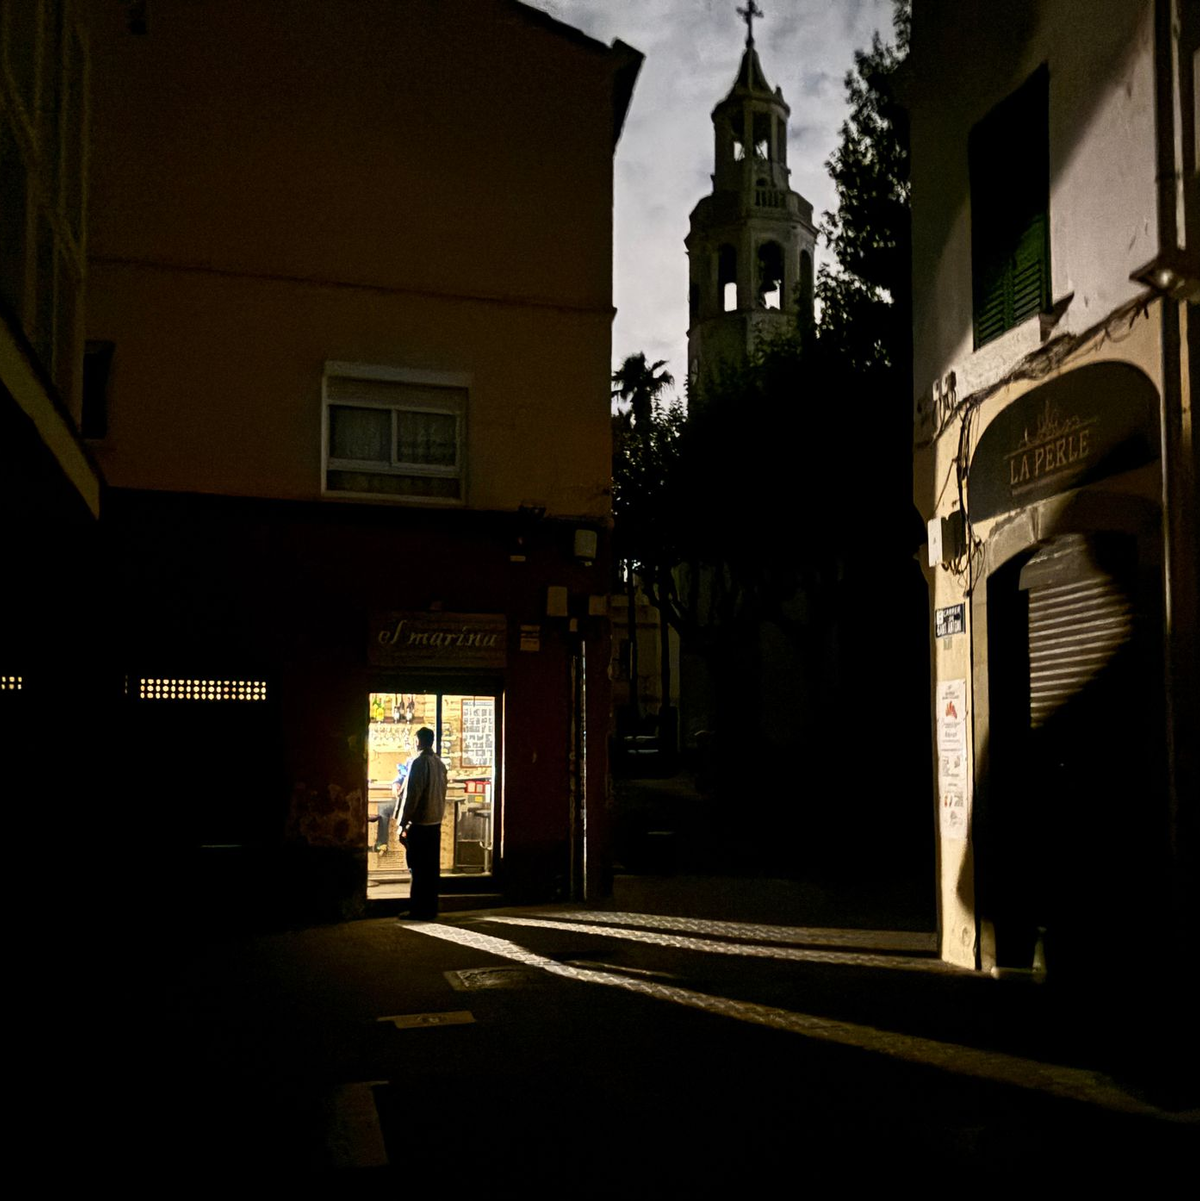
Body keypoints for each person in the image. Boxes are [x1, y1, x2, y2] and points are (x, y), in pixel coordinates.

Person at [398, 727, 448, 920]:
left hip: (420, 824)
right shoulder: (439, 763)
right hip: (435, 823)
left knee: (418, 869)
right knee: (431, 870)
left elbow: (412, 796)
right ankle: (430, 908)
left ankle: (418, 910)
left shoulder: (419, 763)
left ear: (418, 741)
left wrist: (402, 823)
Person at [368, 763, 407, 853]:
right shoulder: (413, 761)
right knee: (384, 808)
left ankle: (381, 844)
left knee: (384, 808)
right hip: (410, 802)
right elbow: (402, 775)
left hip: (411, 803)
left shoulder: (413, 761)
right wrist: (396, 783)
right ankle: (381, 844)